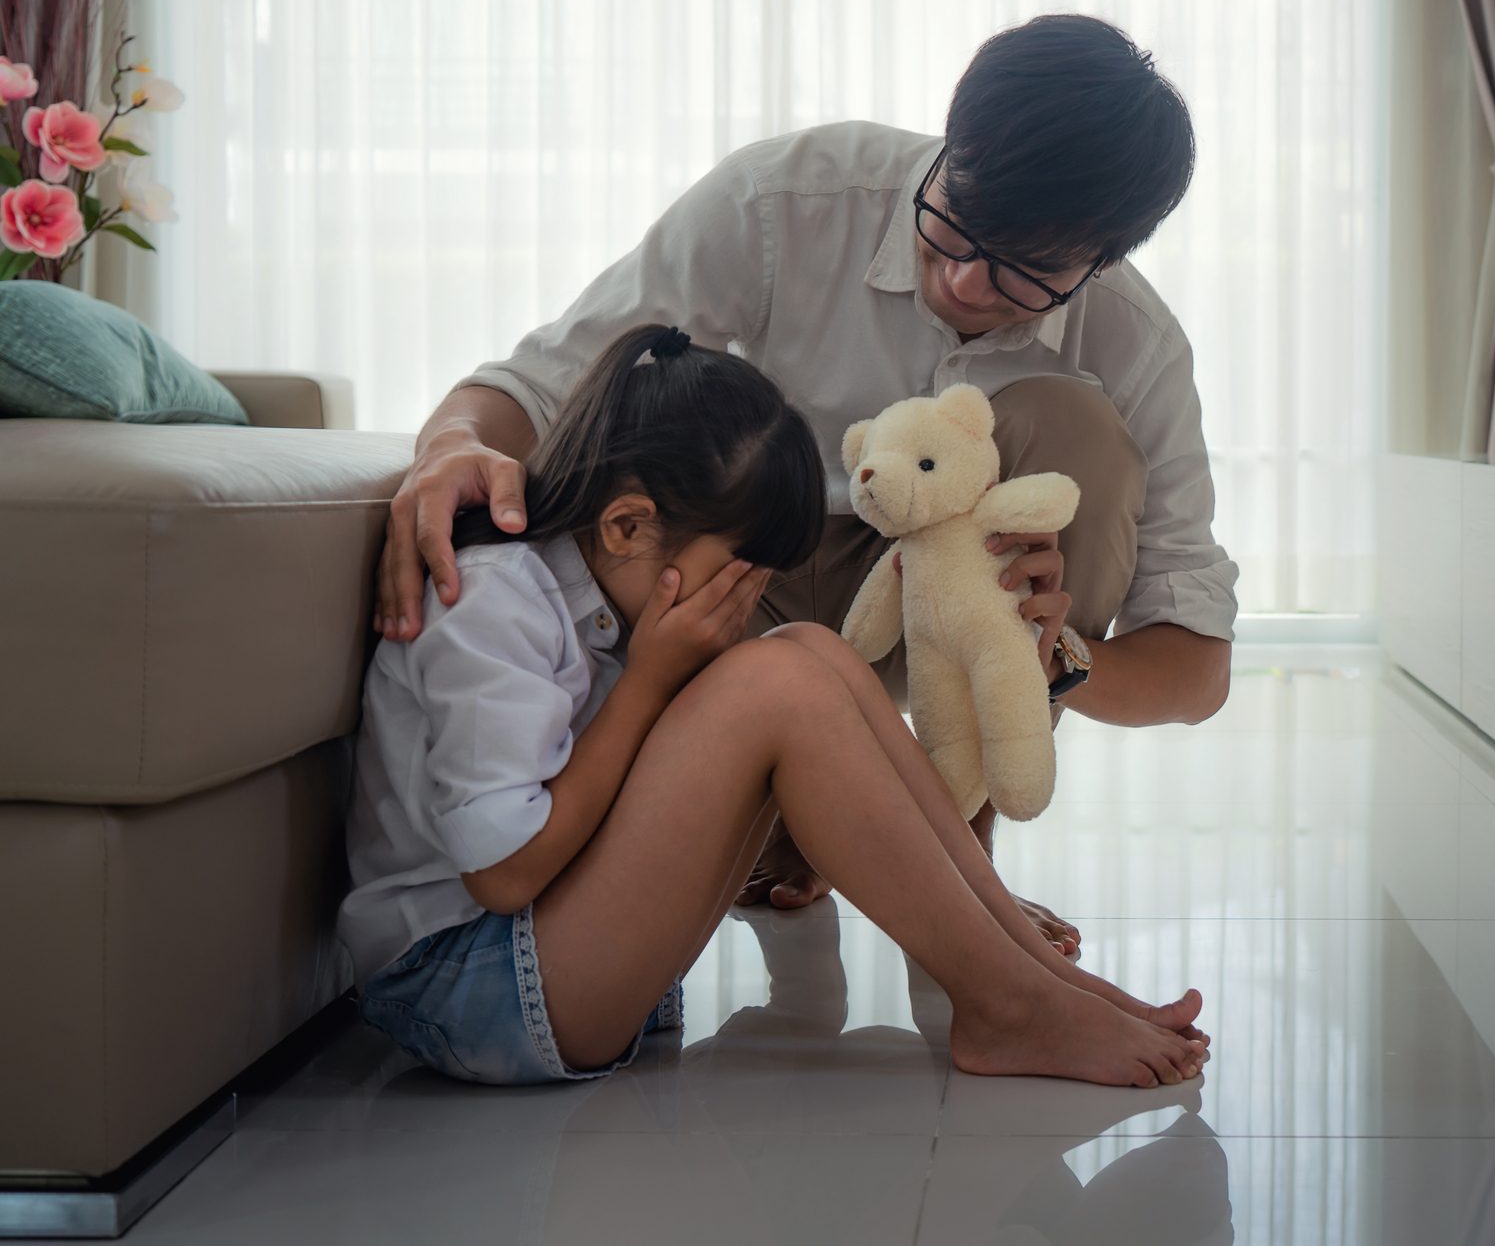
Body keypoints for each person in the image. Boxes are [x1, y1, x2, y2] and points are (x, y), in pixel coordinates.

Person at [372, 14, 1239, 946]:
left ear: (1104, 260)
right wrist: (450, 444)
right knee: (668, 494)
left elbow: (1195, 668)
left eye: (1027, 273)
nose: (965, 282)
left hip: (951, 614)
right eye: (953, 225)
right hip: (737, 584)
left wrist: (1053, 660)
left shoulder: (1135, 342)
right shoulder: (784, 200)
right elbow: (552, 381)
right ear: (952, 143)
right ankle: (800, 825)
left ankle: (953, 858)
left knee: (1082, 435)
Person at [340, 324, 1209, 1087]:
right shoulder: (489, 599)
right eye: (739, 572)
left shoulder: (593, 592)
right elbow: (505, 873)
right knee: (777, 679)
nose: (745, 597)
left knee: (811, 651)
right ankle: (1009, 1005)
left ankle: (1029, 980)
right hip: (466, 987)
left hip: (552, 962)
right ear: (627, 528)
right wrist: (648, 681)